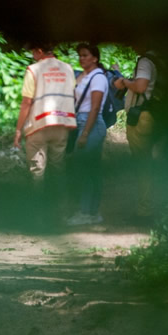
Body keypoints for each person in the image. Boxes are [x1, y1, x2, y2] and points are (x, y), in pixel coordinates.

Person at [12, 41, 77, 229]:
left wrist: (18, 130)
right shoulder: (68, 69)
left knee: (37, 172)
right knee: (58, 170)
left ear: (39, 51)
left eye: (33, 51)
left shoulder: (34, 70)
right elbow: (71, 94)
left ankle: (37, 217)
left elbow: (26, 102)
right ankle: (61, 217)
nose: (32, 55)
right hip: (62, 125)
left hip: (38, 125)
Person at [113, 48, 159, 222]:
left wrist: (125, 82)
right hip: (153, 114)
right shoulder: (158, 59)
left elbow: (141, 86)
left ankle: (144, 211)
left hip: (141, 116)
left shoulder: (145, 61)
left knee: (142, 163)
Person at [66, 43, 109, 226]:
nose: (81, 58)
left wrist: (85, 133)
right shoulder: (84, 76)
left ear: (95, 58)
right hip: (84, 122)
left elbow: (95, 107)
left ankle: (86, 212)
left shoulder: (97, 78)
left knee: (86, 169)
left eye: (85, 55)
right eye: (80, 55)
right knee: (91, 170)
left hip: (91, 124)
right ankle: (91, 212)